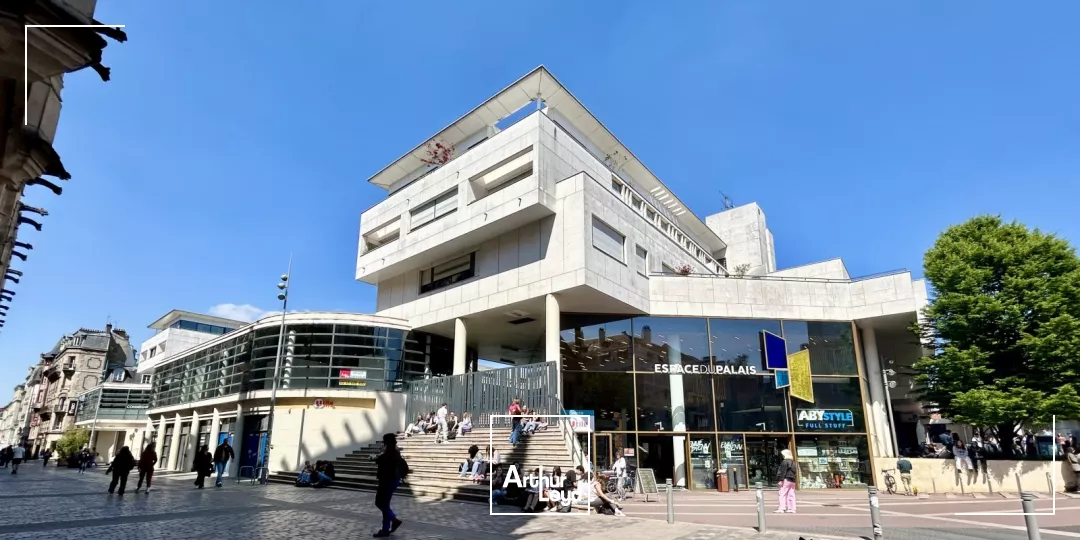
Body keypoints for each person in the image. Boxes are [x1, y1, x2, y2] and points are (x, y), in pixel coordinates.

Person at [373, 432, 408, 537]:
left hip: (387, 481)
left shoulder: (390, 453)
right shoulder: (395, 452)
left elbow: (383, 462)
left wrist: (376, 457)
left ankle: (394, 520)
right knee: (385, 505)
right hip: (393, 481)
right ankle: (385, 529)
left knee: (380, 503)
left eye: (384, 441)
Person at [775, 449, 797, 514]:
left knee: (782, 493)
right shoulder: (793, 462)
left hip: (786, 479)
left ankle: (782, 508)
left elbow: (782, 472)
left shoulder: (785, 462)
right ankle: (792, 508)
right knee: (791, 494)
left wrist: (780, 480)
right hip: (792, 480)